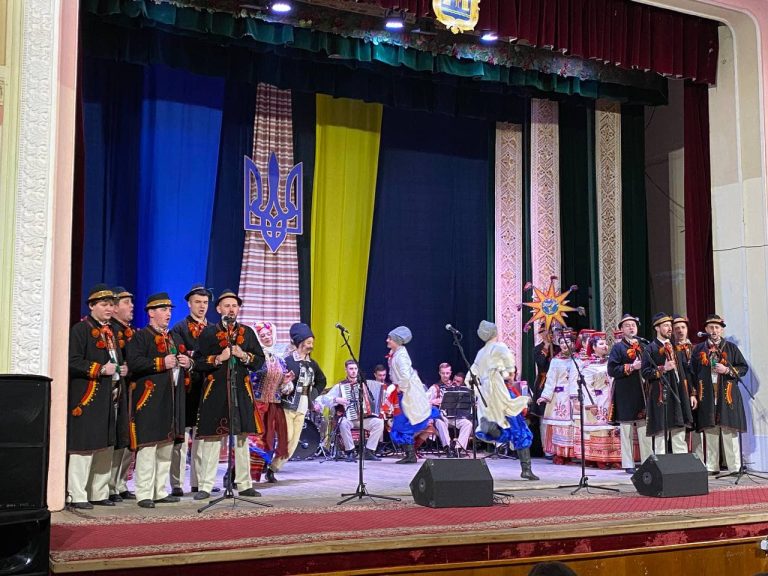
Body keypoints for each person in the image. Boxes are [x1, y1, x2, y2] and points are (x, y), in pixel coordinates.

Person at [193, 290, 265, 500]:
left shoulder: (247, 332)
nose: (231, 309)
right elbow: (197, 362)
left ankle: (244, 484)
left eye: (234, 306)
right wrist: (218, 358)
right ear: (218, 309)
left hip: (240, 391)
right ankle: (206, 486)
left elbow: (259, 361)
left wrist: (244, 355)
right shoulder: (208, 333)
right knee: (212, 439)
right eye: (227, 306)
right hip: (215, 392)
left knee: (241, 439)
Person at [125, 292, 190, 508]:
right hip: (150, 400)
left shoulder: (173, 338)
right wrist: (161, 363)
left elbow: (182, 363)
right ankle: (144, 493)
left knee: (165, 446)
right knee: (148, 447)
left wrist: (186, 362)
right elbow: (134, 363)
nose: (168, 313)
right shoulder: (141, 337)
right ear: (151, 313)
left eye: (169, 310)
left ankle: (159, 490)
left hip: (170, 399)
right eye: (163, 309)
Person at [67, 285, 127, 509]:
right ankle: (76, 494)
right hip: (88, 396)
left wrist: (121, 369)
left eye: (111, 305)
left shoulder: (111, 332)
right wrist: (100, 369)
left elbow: (114, 362)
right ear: (92, 306)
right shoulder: (81, 330)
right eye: (104, 305)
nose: (109, 308)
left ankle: (98, 492)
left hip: (109, 396)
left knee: (105, 445)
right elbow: (73, 361)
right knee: (84, 446)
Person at [470, 320, 538, 480]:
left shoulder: (481, 354)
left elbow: (473, 375)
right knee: (519, 429)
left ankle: (491, 429)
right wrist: (508, 376)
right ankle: (526, 469)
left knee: (508, 426)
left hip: (489, 395)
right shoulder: (498, 349)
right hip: (502, 393)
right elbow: (508, 372)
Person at [689, 314, 748, 474]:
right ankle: (712, 466)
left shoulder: (730, 348)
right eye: (711, 327)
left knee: (729, 431)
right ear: (706, 329)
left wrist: (727, 370)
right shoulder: (699, 349)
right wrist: (694, 393)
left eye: (717, 327)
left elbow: (743, 368)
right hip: (706, 394)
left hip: (727, 394)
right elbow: (692, 372)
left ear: (721, 330)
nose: (714, 330)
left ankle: (734, 467)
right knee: (710, 430)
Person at [169, 284, 213, 496]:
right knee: (182, 436)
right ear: (189, 303)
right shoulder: (179, 328)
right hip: (186, 388)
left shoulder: (213, 329)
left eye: (205, 302)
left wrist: (197, 358)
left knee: (202, 437)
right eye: (197, 302)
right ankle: (177, 483)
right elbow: (181, 356)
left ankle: (200, 481)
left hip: (207, 386)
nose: (202, 306)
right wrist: (201, 359)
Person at [271, 323, 327, 473]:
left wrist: (312, 395)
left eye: (312, 343)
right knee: (287, 437)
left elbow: (322, 381)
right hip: (287, 405)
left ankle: (274, 467)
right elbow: (278, 382)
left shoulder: (312, 364)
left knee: (294, 442)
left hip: (302, 406)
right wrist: (286, 384)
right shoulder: (288, 361)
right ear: (300, 342)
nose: (311, 346)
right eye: (308, 342)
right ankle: (268, 460)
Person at [641, 313, 695, 455]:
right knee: (661, 436)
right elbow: (645, 372)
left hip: (678, 393)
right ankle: (662, 465)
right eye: (666, 326)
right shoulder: (650, 349)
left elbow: (685, 373)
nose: (670, 329)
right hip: (661, 395)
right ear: (657, 328)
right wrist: (663, 369)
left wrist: (691, 393)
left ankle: (680, 464)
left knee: (679, 432)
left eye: (670, 326)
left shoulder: (676, 348)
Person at [385, 326, 437, 464]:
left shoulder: (401, 356)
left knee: (403, 422)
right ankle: (409, 454)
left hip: (407, 392)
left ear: (397, 341)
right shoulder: (396, 353)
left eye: (390, 338)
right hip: (403, 390)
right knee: (402, 421)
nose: (387, 340)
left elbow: (405, 376)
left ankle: (410, 454)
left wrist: (400, 388)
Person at [608, 313, 652, 473]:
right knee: (626, 429)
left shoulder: (644, 345)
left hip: (642, 392)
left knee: (644, 429)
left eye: (633, 325)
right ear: (621, 329)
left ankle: (647, 461)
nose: (631, 328)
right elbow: (612, 370)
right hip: (625, 392)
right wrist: (631, 367)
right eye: (627, 325)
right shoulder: (618, 348)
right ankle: (628, 464)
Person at [317, 360, 384, 462]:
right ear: (346, 370)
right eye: (351, 369)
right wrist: (336, 399)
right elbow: (325, 399)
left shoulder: (364, 384)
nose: (353, 371)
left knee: (379, 423)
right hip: (349, 418)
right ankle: (350, 451)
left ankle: (369, 451)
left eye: (355, 369)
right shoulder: (340, 386)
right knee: (343, 423)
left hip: (364, 418)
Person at [251, 321, 293, 483]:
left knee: (268, 440)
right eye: (262, 336)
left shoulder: (280, 360)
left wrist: (286, 382)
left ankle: (261, 472)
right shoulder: (255, 358)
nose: (267, 337)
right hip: (257, 404)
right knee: (253, 440)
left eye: (269, 334)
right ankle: (235, 475)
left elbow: (283, 388)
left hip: (273, 406)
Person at [572, 332, 621, 468]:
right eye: (601, 344)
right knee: (600, 428)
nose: (605, 346)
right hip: (598, 400)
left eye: (606, 344)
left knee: (612, 428)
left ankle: (614, 457)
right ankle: (599, 458)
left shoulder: (612, 362)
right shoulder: (588, 366)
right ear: (593, 347)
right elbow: (586, 387)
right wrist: (591, 404)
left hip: (611, 399)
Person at [108, 286, 135, 502]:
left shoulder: (131, 332)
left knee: (127, 440)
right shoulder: (111, 332)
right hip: (117, 390)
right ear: (115, 308)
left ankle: (121, 483)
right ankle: (110, 485)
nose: (131, 306)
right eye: (127, 302)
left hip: (132, 390)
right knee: (118, 438)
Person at [537, 328, 576, 464]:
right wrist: (545, 396)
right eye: (562, 343)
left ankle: (571, 454)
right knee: (560, 427)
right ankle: (559, 454)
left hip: (573, 397)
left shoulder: (577, 360)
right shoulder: (555, 361)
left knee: (572, 427)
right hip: (559, 398)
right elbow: (550, 380)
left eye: (567, 342)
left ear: (573, 343)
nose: (564, 345)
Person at [672, 314, 701, 458]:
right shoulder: (671, 350)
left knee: (698, 426)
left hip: (698, 391)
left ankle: (699, 459)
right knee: (681, 424)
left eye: (683, 327)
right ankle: (682, 459)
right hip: (681, 392)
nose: (680, 330)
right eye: (676, 328)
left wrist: (695, 392)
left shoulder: (696, 348)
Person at [533, 324, 559, 457]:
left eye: (550, 332)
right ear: (541, 334)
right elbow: (541, 363)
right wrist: (547, 346)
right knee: (544, 417)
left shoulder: (558, 348)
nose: (549, 334)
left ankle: (559, 447)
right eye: (545, 332)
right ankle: (546, 449)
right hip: (543, 384)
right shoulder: (537, 349)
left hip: (558, 384)